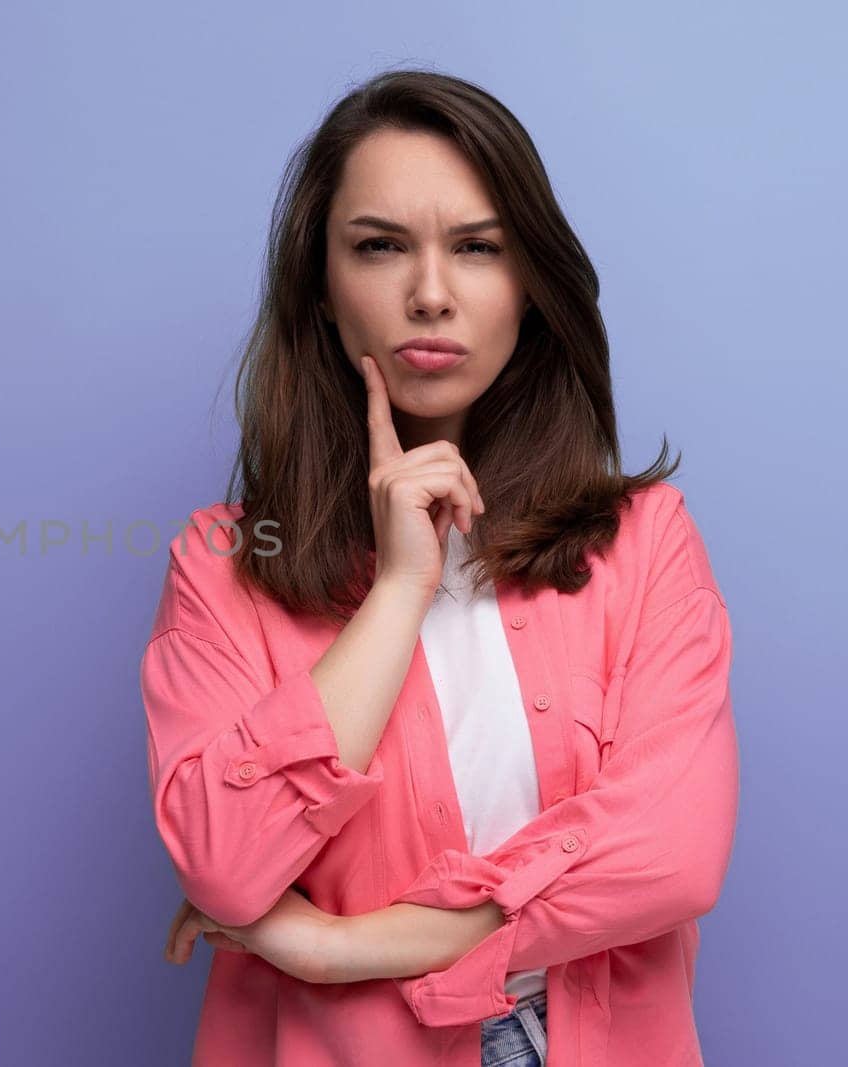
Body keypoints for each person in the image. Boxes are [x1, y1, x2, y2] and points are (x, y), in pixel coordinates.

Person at [139, 69, 737, 1067]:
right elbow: (224, 866)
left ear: (530, 286)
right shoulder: (220, 567)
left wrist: (342, 945)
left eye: (477, 247)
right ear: (322, 294)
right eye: (378, 246)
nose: (429, 292)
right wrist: (398, 589)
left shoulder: (643, 538)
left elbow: (672, 852)